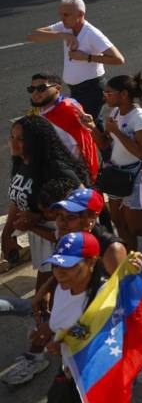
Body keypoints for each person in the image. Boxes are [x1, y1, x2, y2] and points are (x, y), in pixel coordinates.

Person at [41, 232, 142, 400]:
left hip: (93, 369)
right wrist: (58, 342)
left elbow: (120, 339)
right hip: (75, 369)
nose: (59, 272)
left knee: (132, 363)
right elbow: (68, 327)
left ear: (91, 262)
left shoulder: (107, 298)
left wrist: (130, 277)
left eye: (68, 266)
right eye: (56, 264)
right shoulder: (63, 288)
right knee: (135, 365)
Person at [1, 116, 91, 387]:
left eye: (20, 139)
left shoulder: (58, 172)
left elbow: (79, 213)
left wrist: (36, 222)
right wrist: (7, 235)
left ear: (36, 142)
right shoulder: (23, 162)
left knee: (43, 299)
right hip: (43, 238)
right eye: (12, 137)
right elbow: (16, 201)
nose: (13, 143)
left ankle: (36, 354)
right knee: (45, 300)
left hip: (61, 242)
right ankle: (47, 336)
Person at [26, 0, 126, 118]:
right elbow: (32, 36)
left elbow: (118, 59)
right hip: (77, 89)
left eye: (66, 15)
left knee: (89, 126)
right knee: (88, 125)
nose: (62, 19)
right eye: (61, 15)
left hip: (91, 89)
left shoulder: (92, 34)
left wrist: (86, 57)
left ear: (80, 14)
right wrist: (61, 35)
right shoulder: (65, 27)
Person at [99, 73, 142, 251]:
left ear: (123, 95)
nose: (105, 96)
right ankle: (130, 261)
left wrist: (117, 131)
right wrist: (91, 128)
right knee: (119, 222)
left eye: (109, 93)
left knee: (137, 227)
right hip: (116, 175)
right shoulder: (114, 112)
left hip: (135, 177)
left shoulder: (139, 117)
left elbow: (140, 153)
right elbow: (105, 144)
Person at [27, 72, 99, 181]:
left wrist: (89, 178)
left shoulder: (69, 111)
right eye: (32, 89)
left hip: (69, 177)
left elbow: (85, 145)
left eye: (41, 88)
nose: (35, 93)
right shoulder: (37, 111)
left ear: (57, 88)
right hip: (45, 172)